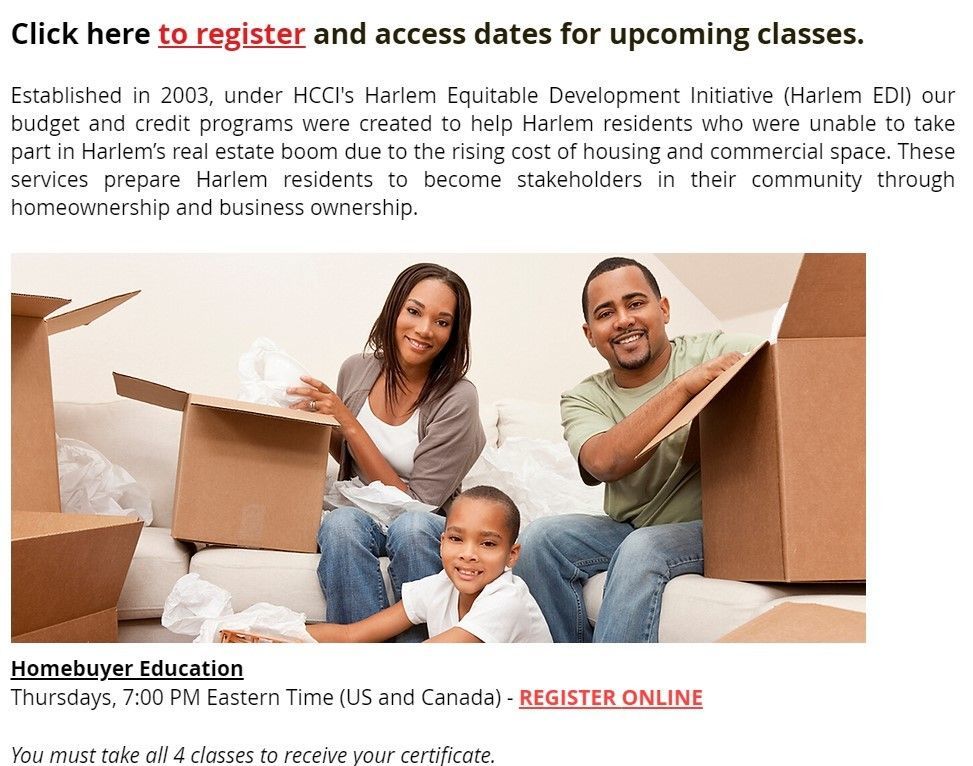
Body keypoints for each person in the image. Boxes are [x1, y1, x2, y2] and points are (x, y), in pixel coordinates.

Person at [514, 257, 761, 643]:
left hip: (712, 527)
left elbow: (798, 362)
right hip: (632, 525)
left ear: (663, 309)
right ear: (589, 333)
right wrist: (683, 388)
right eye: (605, 313)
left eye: (635, 303)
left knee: (641, 548)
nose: (623, 320)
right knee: (539, 540)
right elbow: (603, 462)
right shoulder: (583, 398)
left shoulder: (712, 350)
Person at [289, 263, 486, 641]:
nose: (424, 330)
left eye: (442, 322)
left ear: (454, 333)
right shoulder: (357, 369)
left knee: (411, 530)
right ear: (395, 309)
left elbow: (418, 503)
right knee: (341, 525)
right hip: (361, 510)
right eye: (414, 311)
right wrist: (317, 424)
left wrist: (345, 419)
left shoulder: (459, 397)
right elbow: (349, 457)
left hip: (423, 517)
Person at [307, 486, 552, 643]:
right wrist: (281, 635)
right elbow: (351, 634)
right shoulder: (439, 586)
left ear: (512, 554)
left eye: (487, 544)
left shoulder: (507, 600)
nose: (468, 554)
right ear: (442, 542)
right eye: (456, 539)